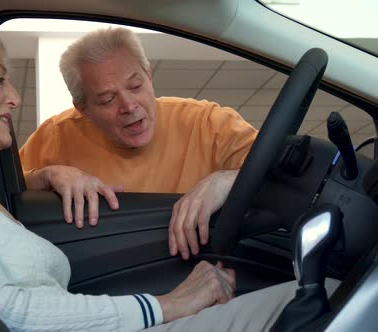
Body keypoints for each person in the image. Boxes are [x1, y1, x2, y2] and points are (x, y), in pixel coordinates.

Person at [0, 23, 336, 332]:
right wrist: (169, 304)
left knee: (324, 297)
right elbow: (9, 315)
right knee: (332, 300)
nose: (13, 97)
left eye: (135, 85)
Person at [19, 27, 258, 260]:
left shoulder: (207, 122)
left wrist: (227, 179)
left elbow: (282, 170)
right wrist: (46, 176)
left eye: (135, 86)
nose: (129, 106)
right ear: (83, 110)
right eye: (107, 99)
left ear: (149, 75)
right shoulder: (55, 136)